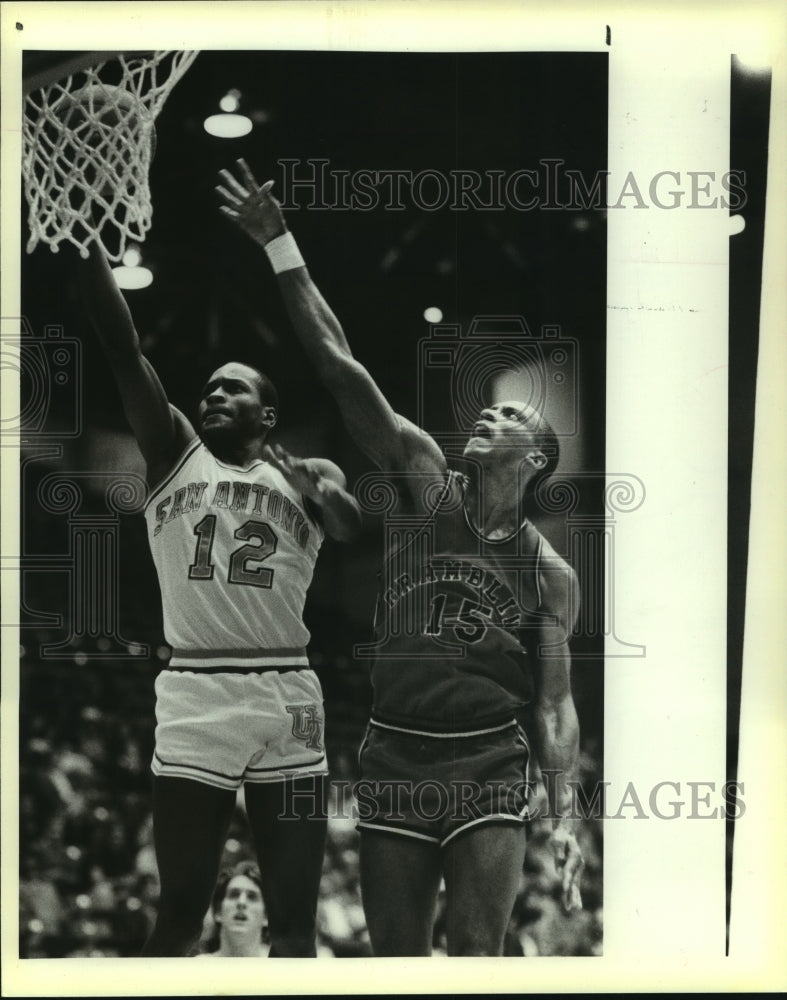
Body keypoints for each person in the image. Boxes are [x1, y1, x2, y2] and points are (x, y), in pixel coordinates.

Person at [216, 160, 585, 957]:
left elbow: (554, 705)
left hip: (487, 759)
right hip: (391, 750)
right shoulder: (426, 483)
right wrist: (280, 243)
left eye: (511, 413)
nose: (489, 412)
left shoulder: (548, 573)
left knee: (476, 957)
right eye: (488, 407)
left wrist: (565, 807)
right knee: (395, 962)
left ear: (537, 459)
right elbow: (340, 368)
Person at [74, 242, 361, 957]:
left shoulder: (305, 471)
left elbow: (353, 526)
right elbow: (120, 347)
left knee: (293, 920)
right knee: (179, 915)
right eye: (207, 387)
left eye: (232, 389)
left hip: (289, 696)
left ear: (267, 415)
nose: (212, 395)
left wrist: (329, 496)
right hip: (197, 694)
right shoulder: (174, 449)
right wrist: (85, 252)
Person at [198, 862, 269, 957]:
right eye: (234, 894)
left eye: (252, 896)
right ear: (218, 911)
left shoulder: (282, 968)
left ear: (266, 916)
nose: (241, 902)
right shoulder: (196, 967)